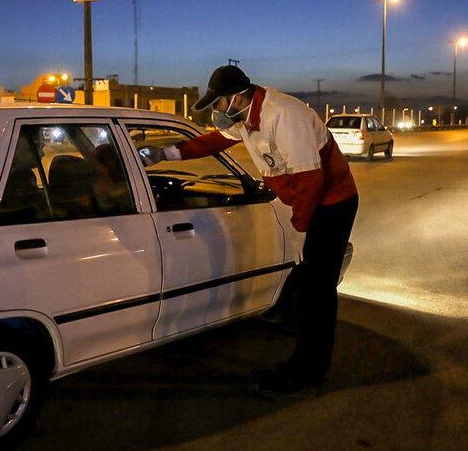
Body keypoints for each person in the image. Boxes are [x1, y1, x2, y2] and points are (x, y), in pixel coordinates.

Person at [139, 65, 358, 399]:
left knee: (318, 292)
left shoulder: (284, 115)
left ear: (236, 97)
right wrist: (167, 153)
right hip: (309, 201)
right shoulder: (244, 116)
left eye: (217, 104)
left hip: (331, 204)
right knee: (307, 285)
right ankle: (300, 340)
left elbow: (310, 180)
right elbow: (215, 141)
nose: (215, 111)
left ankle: (307, 374)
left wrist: (301, 229)